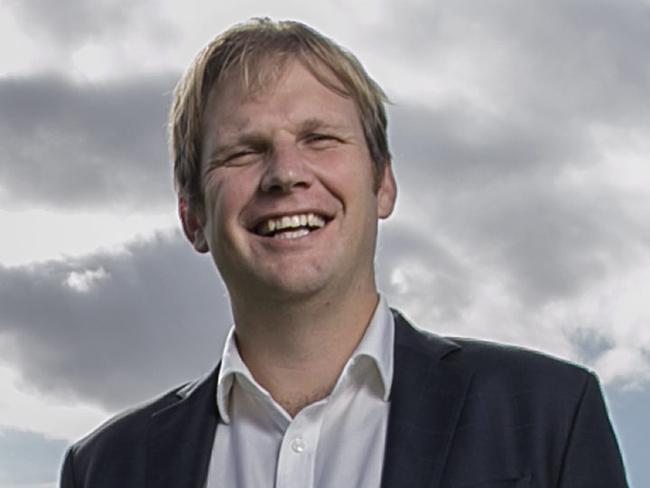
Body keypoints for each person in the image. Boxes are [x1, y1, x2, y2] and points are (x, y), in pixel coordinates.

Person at [60, 18, 628, 488]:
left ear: (383, 183)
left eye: (320, 139)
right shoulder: (105, 470)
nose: (285, 173)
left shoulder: (547, 418)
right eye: (243, 151)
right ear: (193, 217)